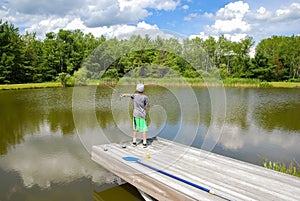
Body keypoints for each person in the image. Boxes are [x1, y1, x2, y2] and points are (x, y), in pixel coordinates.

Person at [121, 83, 150, 148]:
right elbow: (148, 106)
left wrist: (123, 95)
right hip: (142, 115)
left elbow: (128, 95)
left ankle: (134, 142)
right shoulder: (145, 97)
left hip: (136, 115)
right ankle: (144, 143)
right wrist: (147, 106)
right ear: (143, 90)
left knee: (135, 129)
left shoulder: (135, 95)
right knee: (143, 129)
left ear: (137, 89)